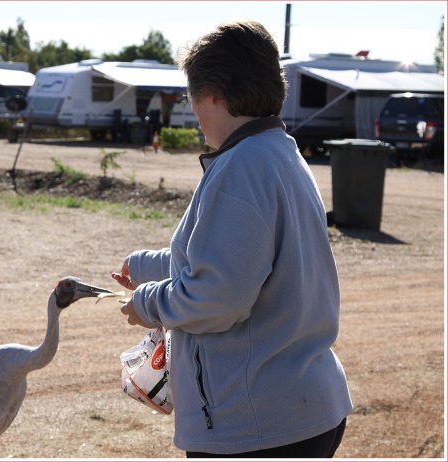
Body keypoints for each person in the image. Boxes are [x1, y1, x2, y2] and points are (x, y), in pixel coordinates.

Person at [111, 20, 352, 458]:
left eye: (191, 97)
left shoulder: (241, 168)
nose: (192, 112)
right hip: (299, 411)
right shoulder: (280, 152)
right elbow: (234, 260)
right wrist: (145, 265)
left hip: (257, 426)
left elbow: (217, 298)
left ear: (216, 96)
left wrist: (147, 302)